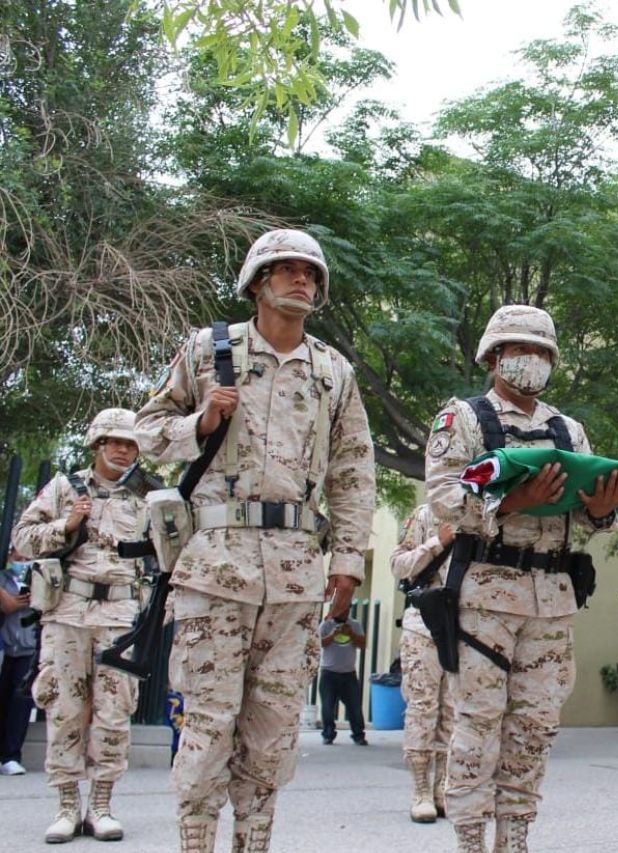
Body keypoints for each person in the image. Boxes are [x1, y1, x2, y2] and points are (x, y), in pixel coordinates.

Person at [134, 228, 376, 852]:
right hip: (216, 569)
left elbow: (353, 470)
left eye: (310, 273)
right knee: (208, 726)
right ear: (258, 282)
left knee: (273, 733)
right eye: (286, 269)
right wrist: (201, 420)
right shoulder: (209, 351)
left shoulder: (333, 371)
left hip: (297, 576)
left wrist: (347, 564)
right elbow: (148, 434)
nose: (301, 279)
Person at [424, 304, 618, 853]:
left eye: (541, 352)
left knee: (535, 728)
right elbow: (444, 496)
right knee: (478, 723)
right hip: (485, 597)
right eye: (520, 350)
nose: (531, 361)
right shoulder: (463, 418)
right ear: (493, 357)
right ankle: (470, 841)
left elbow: (590, 517)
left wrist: (604, 508)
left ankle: (513, 839)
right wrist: (511, 502)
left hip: (552, 601)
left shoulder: (568, 430)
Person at [14, 408, 148, 841]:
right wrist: (65, 525)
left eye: (131, 444)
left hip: (120, 614)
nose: (124, 451)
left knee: (114, 711)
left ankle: (102, 805)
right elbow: (21, 537)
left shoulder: (147, 496)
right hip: (68, 610)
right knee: (65, 708)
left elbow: (169, 550)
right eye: (116, 442)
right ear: (98, 445)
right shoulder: (64, 488)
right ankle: (67, 806)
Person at [389, 504, 456, 823]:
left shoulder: (489, 514)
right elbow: (398, 565)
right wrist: (436, 544)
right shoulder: (426, 514)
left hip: (466, 626)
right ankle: (420, 790)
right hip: (424, 622)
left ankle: (444, 788)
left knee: (453, 710)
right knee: (422, 707)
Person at [1, 550, 38, 776]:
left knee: (20, 702)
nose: (22, 562)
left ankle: (11, 755)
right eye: (18, 557)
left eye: (27, 558)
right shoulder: (4, 578)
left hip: (28, 648)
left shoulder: (40, 577)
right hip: (6, 645)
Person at [318, 604, 368, 746]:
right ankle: (328, 734)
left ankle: (358, 734)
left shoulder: (355, 625)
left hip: (348, 673)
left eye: (346, 610)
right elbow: (320, 643)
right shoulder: (326, 624)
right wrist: (333, 635)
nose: (343, 612)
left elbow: (363, 644)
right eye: (340, 609)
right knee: (327, 706)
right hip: (329, 672)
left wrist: (351, 634)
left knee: (354, 706)